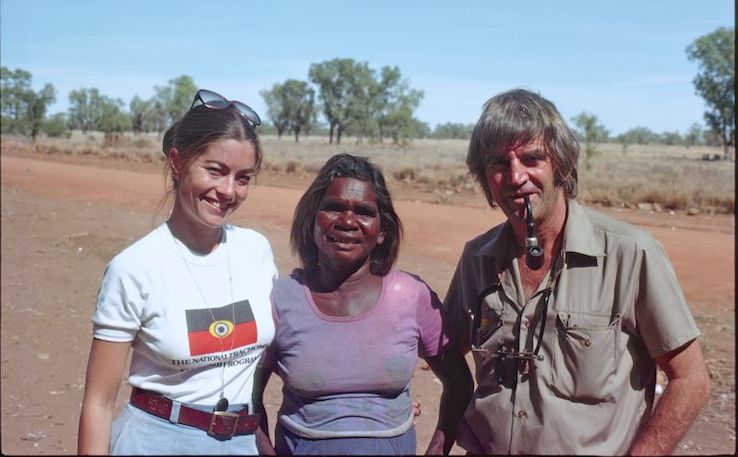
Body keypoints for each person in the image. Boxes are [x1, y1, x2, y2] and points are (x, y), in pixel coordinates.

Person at [442, 88, 711, 455]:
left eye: (532, 158)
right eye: (499, 164)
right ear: (484, 177)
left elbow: (691, 378)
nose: (516, 176)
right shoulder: (477, 258)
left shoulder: (628, 253)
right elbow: (444, 350)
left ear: (561, 165)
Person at [78, 89, 278, 455]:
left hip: (241, 443)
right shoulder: (134, 267)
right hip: (155, 441)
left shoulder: (256, 251)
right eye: (215, 171)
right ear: (177, 163)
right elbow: (98, 403)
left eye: (243, 177)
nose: (228, 190)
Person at [255, 154, 473, 455]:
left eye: (364, 212)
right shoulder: (281, 299)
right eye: (333, 208)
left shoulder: (411, 296)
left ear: (382, 230)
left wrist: (437, 448)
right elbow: (248, 393)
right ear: (312, 220)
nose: (347, 221)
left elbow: (459, 382)